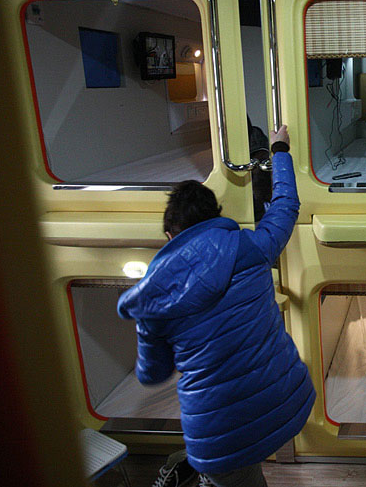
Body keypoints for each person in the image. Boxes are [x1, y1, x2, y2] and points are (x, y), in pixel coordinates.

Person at [117, 125, 314, 487]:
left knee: (232, 467)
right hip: (287, 403)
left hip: (220, 434)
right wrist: (280, 149)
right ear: (217, 217)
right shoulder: (252, 248)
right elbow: (286, 204)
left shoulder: (152, 297)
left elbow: (152, 374)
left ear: (169, 236)